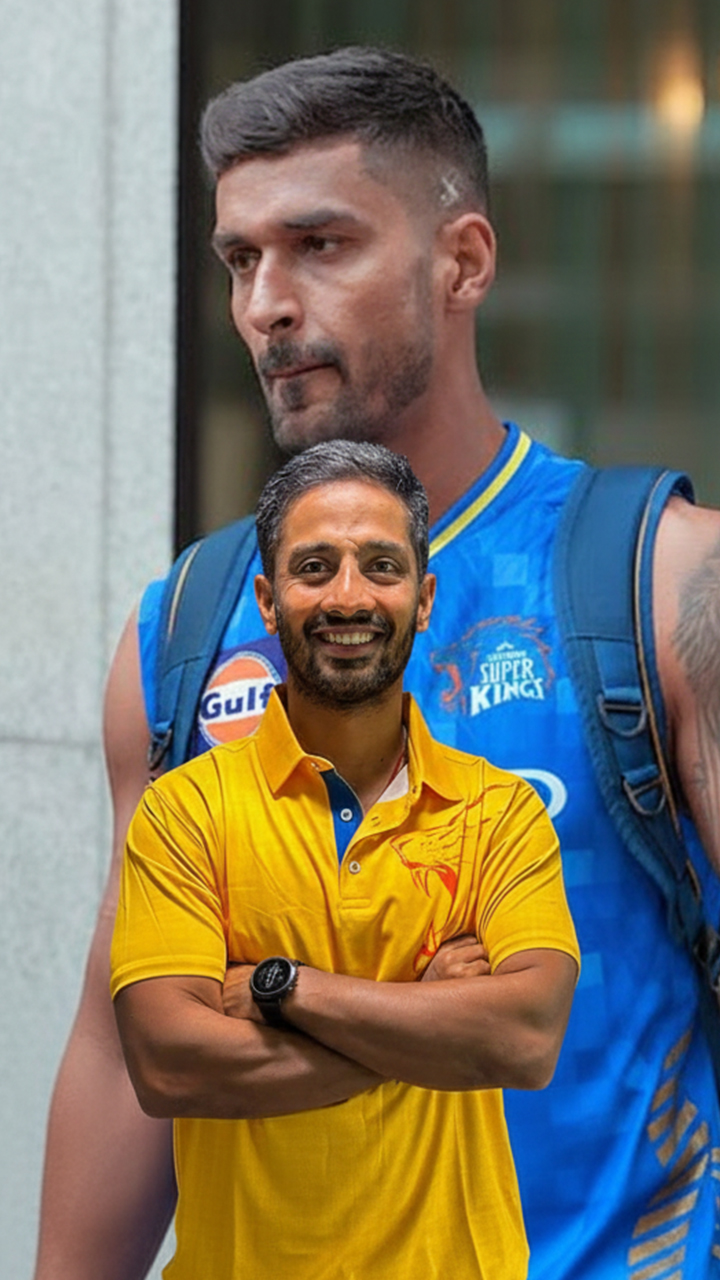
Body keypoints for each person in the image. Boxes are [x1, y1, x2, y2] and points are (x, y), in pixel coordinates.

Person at [34, 46, 720, 1280]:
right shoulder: (186, 626)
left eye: (320, 245)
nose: (266, 304)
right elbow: (119, 1043)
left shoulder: (661, 579)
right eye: (240, 259)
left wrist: (274, 993)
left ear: (464, 262)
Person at [109, 440, 579, 1280]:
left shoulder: (500, 813)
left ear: (424, 599)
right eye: (315, 567)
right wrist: (426, 1020)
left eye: (382, 566)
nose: (349, 597)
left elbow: (526, 1036)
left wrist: (281, 989)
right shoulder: (186, 812)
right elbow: (167, 1062)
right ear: (268, 600)